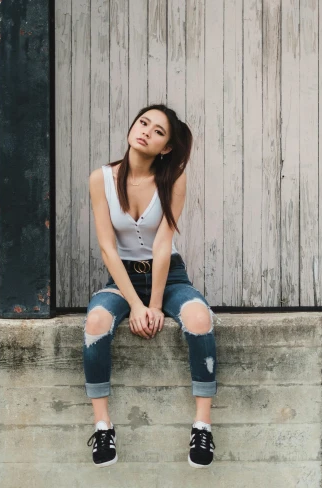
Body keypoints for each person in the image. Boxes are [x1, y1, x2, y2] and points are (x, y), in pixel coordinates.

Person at [83, 104, 217, 469]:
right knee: (96, 321)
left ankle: (202, 425)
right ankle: (103, 425)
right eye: (143, 123)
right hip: (123, 278)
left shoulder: (173, 178)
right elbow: (108, 247)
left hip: (168, 276)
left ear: (166, 148)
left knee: (199, 317)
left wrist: (154, 305)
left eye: (158, 131)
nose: (146, 131)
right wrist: (136, 305)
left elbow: (162, 244)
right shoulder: (102, 180)